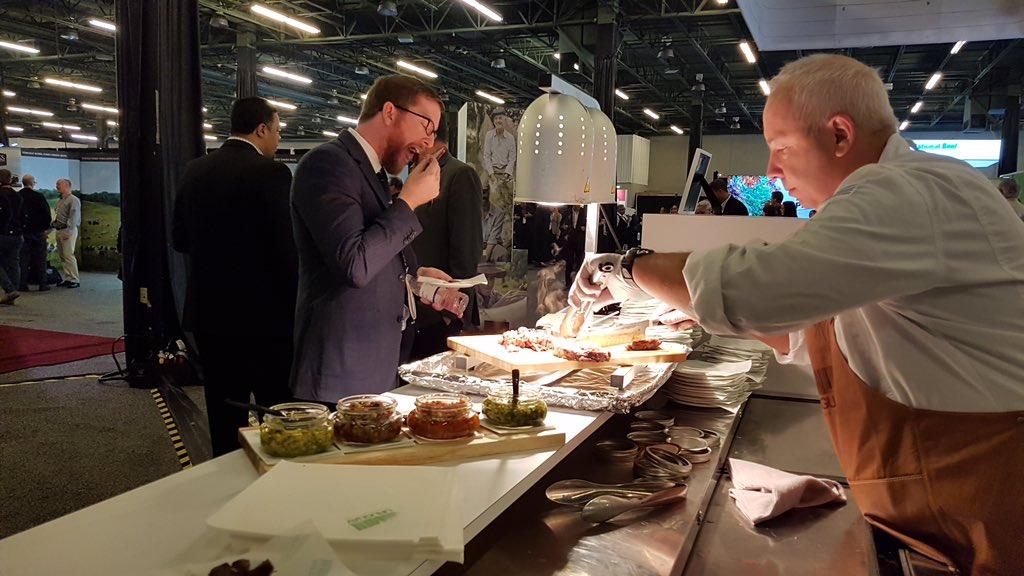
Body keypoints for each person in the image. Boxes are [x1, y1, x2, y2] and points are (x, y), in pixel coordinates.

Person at [570, 54, 1024, 574]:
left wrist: (628, 266)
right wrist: (694, 310)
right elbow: (823, 334)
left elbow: (755, 289)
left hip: (986, 505)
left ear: (840, 135)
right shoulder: (904, 194)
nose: (771, 171)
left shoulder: (908, 190)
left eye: (781, 148)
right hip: (941, 510)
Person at [290, 74, 463, 403]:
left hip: (373, 371)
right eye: (427, 126)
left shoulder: (372, 173)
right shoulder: (327, 164)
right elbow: (354, 264)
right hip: (340, 379)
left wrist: (415, 278)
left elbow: (373, 252)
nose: (429, 143)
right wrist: (408, 202)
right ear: (389, 112)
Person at [172, 96, 298, 456]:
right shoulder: (272, 173)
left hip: (209, 314)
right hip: (263, 318)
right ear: (261, 130)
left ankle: (226, 477)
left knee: (224, 410)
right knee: (277, 409)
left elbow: (179, 239)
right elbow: (285, 250)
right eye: (277, 131)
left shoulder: (194, 170)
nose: (278, 140)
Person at [407, 117, 484, 361]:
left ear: (428, 136)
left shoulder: (459, 174)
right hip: (416, 308)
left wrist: (450, 314)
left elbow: (467, 247)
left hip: (441, 312)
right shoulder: (418, 175)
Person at [18, 174, 52, 292]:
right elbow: (47, 215)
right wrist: (45, 229)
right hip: (38, 232)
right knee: (41, 259)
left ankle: (22, 284)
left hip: (23, 232)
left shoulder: (18, 196)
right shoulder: (39, 196)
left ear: (23, 183)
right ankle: (43, 284)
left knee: (23, 259)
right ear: (32, 183)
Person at [0, 169, 24, 304]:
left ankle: (9, 290)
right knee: (14, 263)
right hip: (17, 234)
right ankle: (13, 294)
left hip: (2, 233)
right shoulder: (18, 196)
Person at [52, 178, 80, 288]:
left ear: (67, 186)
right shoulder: (61, 200)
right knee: (62, 256)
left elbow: (74, 217)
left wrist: (68, 232)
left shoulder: (73, 200)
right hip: (59, 230)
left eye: (59, 184)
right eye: (56, 184)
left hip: (68, 231)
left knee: (68, 255)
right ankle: (68, 277)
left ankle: (74, 279)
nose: (57, 186)